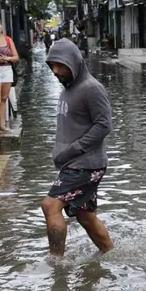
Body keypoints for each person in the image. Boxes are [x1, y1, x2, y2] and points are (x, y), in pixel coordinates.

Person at [41, 39, 114, 258]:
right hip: (73, 162)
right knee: (86, 216)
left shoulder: (91, 89)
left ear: (74, 63)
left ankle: (56, 265)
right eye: (52, 65)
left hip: (86, 164)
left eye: (60, 65)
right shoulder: (68, 87)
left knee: (50, 205)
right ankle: (111, 255)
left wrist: (72, 150)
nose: (55, 71)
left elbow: (104, 125)